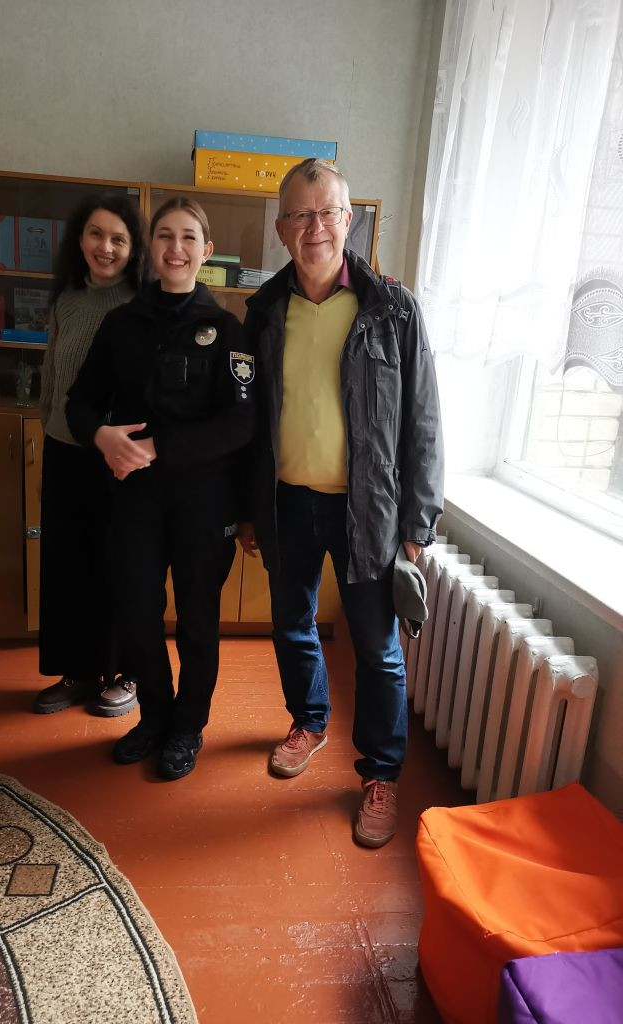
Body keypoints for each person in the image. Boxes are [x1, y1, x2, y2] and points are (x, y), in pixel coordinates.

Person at [239, 159, 444, 847]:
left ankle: (380, 775)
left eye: (326, 212)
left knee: (378, 651)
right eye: (300, 215)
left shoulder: (393, 309)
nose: (314, 227)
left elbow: (423, 422)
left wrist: (417, 524)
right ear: (281, 228)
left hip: (371, 513)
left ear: (348, 219)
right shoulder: (264, 311)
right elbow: (251, 424)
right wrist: (249, 508)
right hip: (287, 503)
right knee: (292, 626)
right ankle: (309, 722)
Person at [65, 197, 254, 780]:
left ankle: (187, 727)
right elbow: (80, 402)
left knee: (197, 619)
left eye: (188, 237)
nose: (176, 248)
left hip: (204, 500)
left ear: (206, 250)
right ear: (151, 247)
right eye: (165, 236)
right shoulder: (122, 324)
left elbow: (240, 423)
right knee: (137, 613)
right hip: (136, 500)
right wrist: (101, 436)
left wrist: (158, 448)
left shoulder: (227, 329)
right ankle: (154, 717)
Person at [33, 193, 151, 717]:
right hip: (62, 450)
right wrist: (46, 429)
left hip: (115, 460)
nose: (106, 247)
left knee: (118, 567)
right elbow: (51, 373)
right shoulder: (67, 298)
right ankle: (77, 671)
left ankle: (124, 672)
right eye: (96, 234)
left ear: (133, 248)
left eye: (118, 239)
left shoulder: (139, 305)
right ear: (79, 239)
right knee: (66, 567)